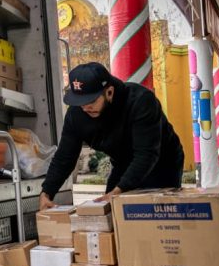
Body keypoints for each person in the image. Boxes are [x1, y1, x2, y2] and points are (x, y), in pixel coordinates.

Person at [39, 62, 185, 210]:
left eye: (91, 101)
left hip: (162, 161)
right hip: (123, 162)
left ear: (109, 92)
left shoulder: (141, 101)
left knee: (156, 211)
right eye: (80, 102)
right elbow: (64, 157)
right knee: (111, 208)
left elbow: (146, 154)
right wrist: (47, 193)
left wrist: (118, 191)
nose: (85, 107)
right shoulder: (76, 114)